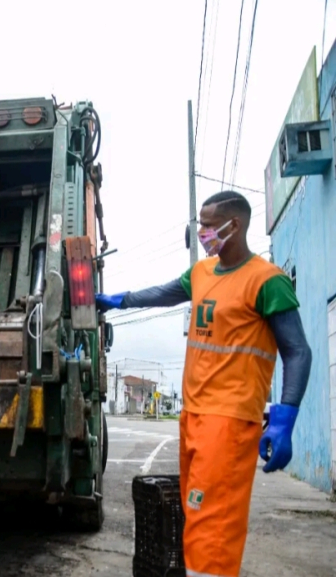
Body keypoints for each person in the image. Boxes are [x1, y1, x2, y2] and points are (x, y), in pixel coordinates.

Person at [97, 190, 312, 577]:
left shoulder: (267, 281)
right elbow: (164, 293)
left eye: (210, 225)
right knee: (195, 514)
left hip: (230, 420)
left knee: (214, 525)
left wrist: (285, 417)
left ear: (236, 225)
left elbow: (298, 351)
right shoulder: (201, 274)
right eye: (201, 224)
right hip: (193, 414)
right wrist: (121, 299)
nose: (203, 232)